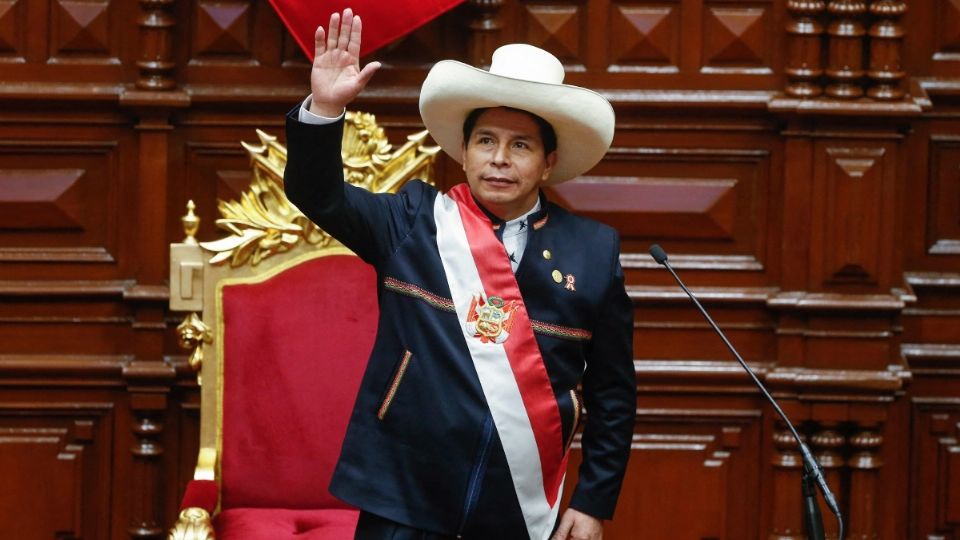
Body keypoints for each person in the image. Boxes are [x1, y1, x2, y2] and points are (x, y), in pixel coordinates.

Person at [283, 8, 635, 540]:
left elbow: (612, 392)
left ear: (547, 162)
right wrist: (328, 107)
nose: (499, 159)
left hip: (517, 505)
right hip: (402, 495)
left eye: (521, 145)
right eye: (486, 141)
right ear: (463, 153)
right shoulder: (412, 221)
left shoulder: (593, 251)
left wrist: (593, 501)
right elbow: (319, 195)